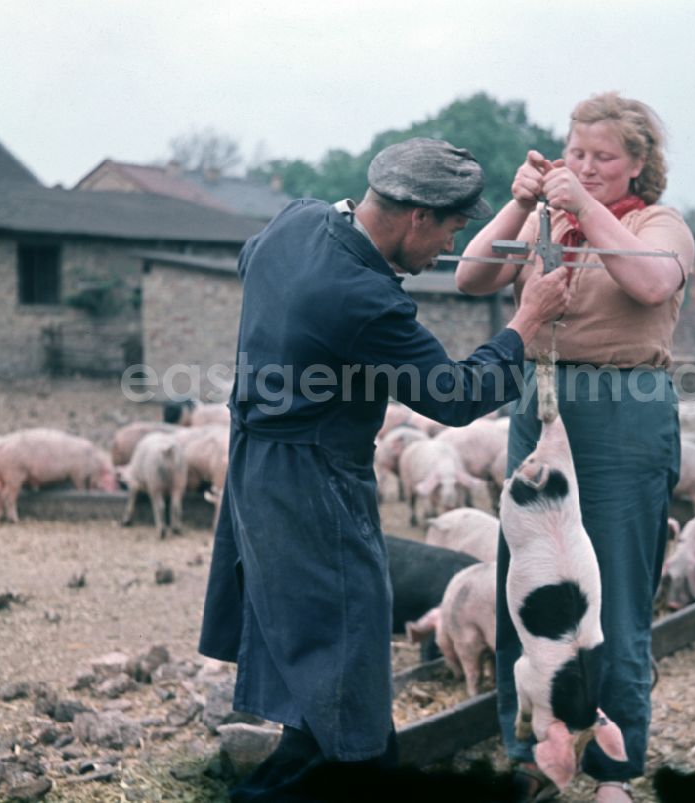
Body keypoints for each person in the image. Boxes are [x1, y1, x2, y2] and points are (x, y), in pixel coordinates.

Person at [197, 137, 570, 802]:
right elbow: (454, 397)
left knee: (319, 663)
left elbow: (248, 258)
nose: (446, 251)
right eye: (452, 229)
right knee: (347, 663)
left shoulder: (297, 220)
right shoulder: (363, 298)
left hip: (257, 466)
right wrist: (527, 321)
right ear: (416, 217)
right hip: (315, 485)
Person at [456, 93, 695, 802]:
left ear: (638, 164)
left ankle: (612, 768)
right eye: (576, 153)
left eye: (603, 157)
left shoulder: (662, 225)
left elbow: (650, 281)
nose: (586, 168)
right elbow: (472, 276)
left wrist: (581, 206)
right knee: (526, 586)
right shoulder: (547, 222)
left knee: (613, 596)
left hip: (625, 410)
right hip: (542, 397)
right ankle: (534, 751)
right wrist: (522, 202)